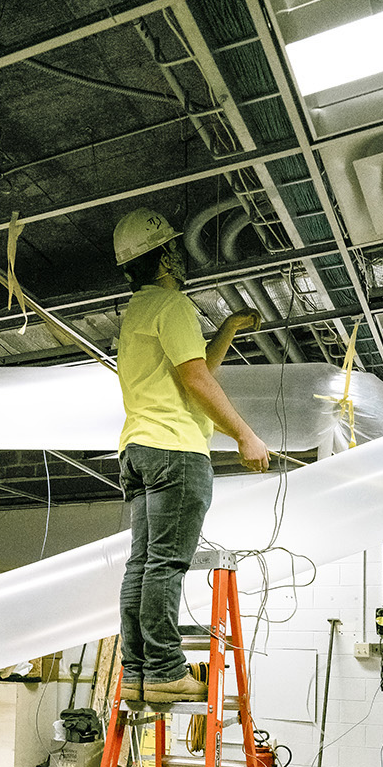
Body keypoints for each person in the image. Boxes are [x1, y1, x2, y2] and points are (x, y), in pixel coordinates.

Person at [112, 208, 270, 704]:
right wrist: (245, 434)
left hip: (137, 450)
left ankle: (138, 670)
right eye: (173, 250)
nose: (179, 257)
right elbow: (197, 380)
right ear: (163, 257)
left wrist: (226, 328)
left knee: (141, 563)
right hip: (176, 451)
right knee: (165, 564)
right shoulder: (172, 304)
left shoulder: (137, 312)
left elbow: (194, 365)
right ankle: (164, 669)